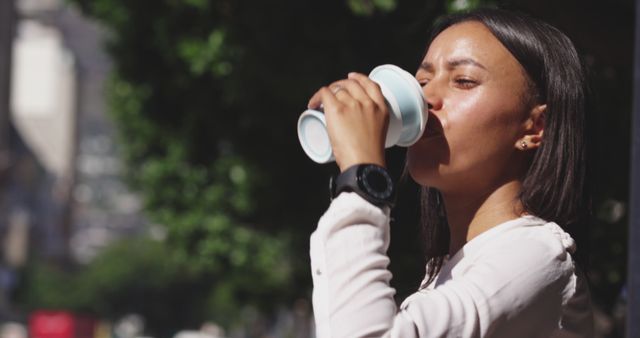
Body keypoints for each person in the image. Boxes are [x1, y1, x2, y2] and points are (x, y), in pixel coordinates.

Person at [306, 7, 594, 338]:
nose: (426, 97)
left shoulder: (538, 255)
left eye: (463, 81)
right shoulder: (449, 270)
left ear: (534, 127)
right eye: (422, 81)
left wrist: (361, 180)